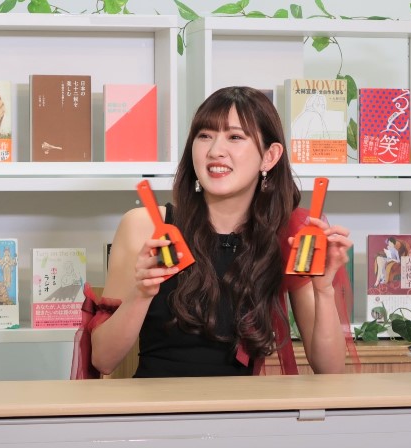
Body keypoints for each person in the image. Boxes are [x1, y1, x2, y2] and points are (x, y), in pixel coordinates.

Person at [72, 86, 356, 379]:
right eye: (205, 135)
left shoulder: (286, 236)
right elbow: (103, 360)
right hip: (155, 403)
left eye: (235, 137)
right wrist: (142, 293)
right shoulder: (144, 226)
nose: (215, 151)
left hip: (241, 405)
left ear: (269, 156)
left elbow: (330, 370)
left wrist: (324, 290)